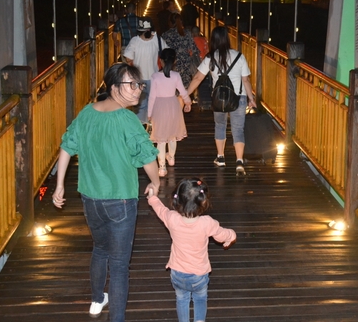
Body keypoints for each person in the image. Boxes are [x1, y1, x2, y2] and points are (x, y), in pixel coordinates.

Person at [52, 63, 161, 322]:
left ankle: (96, 299)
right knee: (120, 265)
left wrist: (59, 185)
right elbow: (147, 156)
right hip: (120, 200)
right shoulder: (127, 119)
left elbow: (66, 146)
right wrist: (155, 182)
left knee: (100, 249)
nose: (138, 90)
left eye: (139, 85)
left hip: (90, 198)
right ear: (113, 87)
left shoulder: (86, 113)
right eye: (131, 85)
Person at [147, 178, 236, 322]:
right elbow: (222, 235)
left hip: (177, 273)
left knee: (181, 299)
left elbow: (160, 210)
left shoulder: (172, 218)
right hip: (198, 275)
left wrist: (152, 198)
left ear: (177, 200)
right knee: (200, 299)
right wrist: (231, 236)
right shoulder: (207, 223)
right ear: (204, 202)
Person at [186, 26, 257, 174]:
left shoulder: (210, 58)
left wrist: (186, 95)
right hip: (239, 97)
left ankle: (221, 157)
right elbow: (246, 80)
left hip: (219, 99)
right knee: (238, 129)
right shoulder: (239, 56)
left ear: (213, 40)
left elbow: (198, 78)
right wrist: (251, 98)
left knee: (220, 125)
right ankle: (239, 161)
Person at [148, 48, 192, 177]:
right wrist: (188, 102)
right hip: (173, 105)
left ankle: (162, 167)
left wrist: (149, 113)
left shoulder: (155, 77)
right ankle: (171, 157)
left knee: (161, 138)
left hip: (159, 107)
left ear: (160, 61)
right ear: (174, 61)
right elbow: (183, 92)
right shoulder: (176, 76)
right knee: (173, 134)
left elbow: (152, 97)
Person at [123, 17, 167, 128]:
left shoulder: (135, 41)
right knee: (154, 103)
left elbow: (128, 58)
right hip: (154, 78)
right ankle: (155, 126)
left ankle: (141, 127)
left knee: (140, 105)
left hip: (139, 78)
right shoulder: (157, 39)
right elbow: (167, 53)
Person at [162, 13, 200, 89]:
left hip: (172, 65)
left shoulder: (166, 35)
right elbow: (194, 49)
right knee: (184, 89)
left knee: (173, 89)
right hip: (186, 65)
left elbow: (163, 52)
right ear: (181, 21)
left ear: (170, 22)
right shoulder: (187, 33)